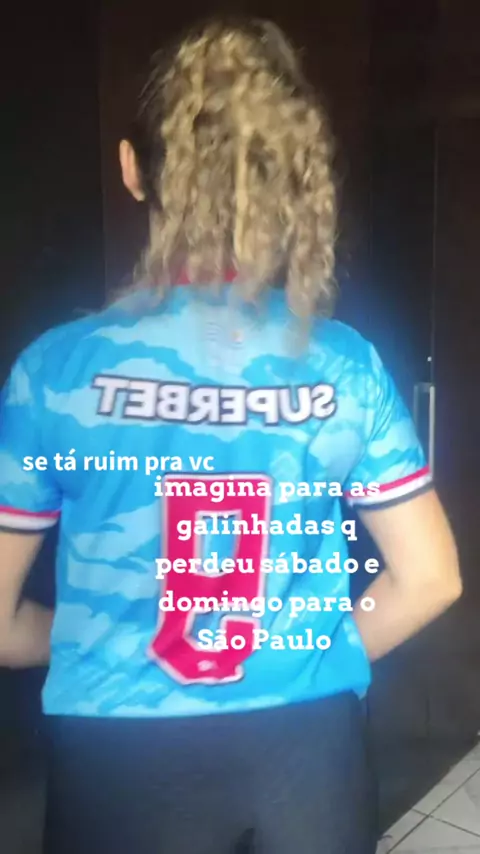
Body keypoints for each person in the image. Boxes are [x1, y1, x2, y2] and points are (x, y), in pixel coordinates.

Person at [0, 16, 461, 854]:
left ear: (132, 169)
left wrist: (81, 637)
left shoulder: (55, 371)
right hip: (308, 762)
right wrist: (311, 653)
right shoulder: (342, 363)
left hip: (119, 760)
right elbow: (431, 579)